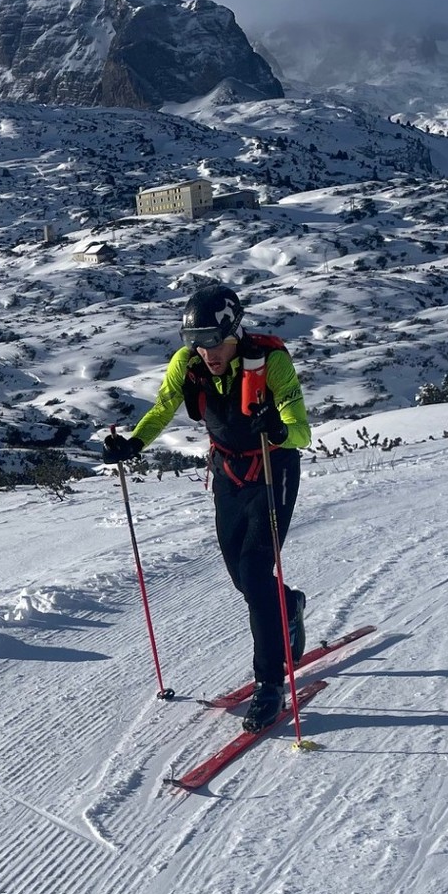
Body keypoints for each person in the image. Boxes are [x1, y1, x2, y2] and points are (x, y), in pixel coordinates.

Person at [101, 285, 313, 730]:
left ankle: (269, 685)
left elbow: (301, 433)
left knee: (256, 574)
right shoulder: (189, 364)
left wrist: (275, 428)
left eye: (214, 341)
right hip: (228, 474)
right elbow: (163, 407)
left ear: (234, 331)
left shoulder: (270, 362)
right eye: (196, 341)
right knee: (241, 576)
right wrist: (134, 444)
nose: (206, 351)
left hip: (274, 470)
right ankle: (287, 608)